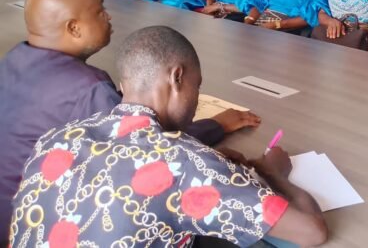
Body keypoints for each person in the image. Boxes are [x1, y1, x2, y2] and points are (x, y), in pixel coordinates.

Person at [9, 26, 328, 247]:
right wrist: (271, 173)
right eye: (197, 86)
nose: (196, 97)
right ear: (178, 77)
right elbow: (311, 233)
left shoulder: (57, 137)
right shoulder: (182, 161)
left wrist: (212, 166)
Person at [0, 0, 261, 242]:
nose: (109, 16)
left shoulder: (14, 58)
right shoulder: (90, 87)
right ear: (74, 28)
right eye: (100, 11)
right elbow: (143, 151)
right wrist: (217, 126)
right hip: (28, 224)